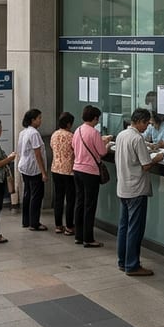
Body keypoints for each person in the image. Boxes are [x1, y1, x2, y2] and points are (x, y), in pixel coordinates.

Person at [116, 108, 163, 277]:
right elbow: (146, 165)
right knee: (135, 228)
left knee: (124, 227)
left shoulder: (122, 135)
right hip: (136, 189)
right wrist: (156, 158)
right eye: (146, 123)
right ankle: (132, 265)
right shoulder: (137, 138)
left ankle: (123, 261)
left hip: (123, 187)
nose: (147, 127)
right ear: (141, 122)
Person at [72, 105, 112, 248]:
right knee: (90, 205)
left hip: (77, 169)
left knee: (80, 202)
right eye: (97, 119)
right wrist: (106, 145)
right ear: (94, 118)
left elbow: (74, 146)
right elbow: (102, 152)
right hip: (90, 171)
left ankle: (78, 235)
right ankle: (88, 238)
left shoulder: (78, 130)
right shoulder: (94, 132)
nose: (98, 121)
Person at [17, 109, 48, 231]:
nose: (41, 120)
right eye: (39, 118)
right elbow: (38, 154)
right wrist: (43, 172)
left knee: (27, 194)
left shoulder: (23, 132)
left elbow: (20, 150)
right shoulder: (34, 133)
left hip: (24, 166)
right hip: (34, 168)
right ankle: (34, 223)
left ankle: (26, 221)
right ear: (32, 120)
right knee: (36, 196)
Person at [50, 112, 76, 236]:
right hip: (69, 171)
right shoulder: (71, 136)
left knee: (58, 198)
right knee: (70, 199)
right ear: (68, 124)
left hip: (56, 169)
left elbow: (52, 147)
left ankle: (58, 225)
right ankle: (69, 226)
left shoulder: (54, 135)